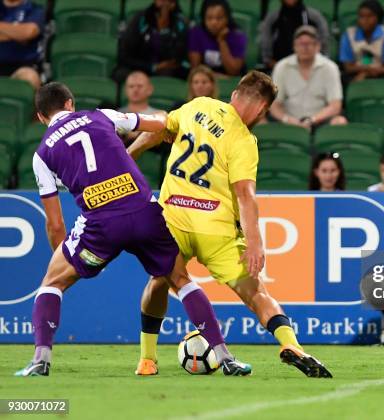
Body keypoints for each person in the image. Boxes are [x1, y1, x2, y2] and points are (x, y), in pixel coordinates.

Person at [14, 82, 250, 377]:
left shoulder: (42, 154)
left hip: (100, 226)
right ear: (70, 103)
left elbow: (55, 223)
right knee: (180, 278)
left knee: (52, 282)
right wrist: (170, 124)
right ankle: (225, 356)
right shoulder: (101, 116)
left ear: (40, 117)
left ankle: (41, 359)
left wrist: (65, 254)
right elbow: (159, 122)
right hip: (143, 213)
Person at [127, 71, 332, 378]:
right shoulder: (244, 140)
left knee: (160, 281)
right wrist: (255, 243)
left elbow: (160, 127)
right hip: (217, 230)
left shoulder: (199, 106)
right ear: (262, 109)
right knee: (256, 293)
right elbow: (246, 195)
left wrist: (129, 154)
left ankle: (147, 359)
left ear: (236, 92)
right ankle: (291, 345)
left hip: (174, 222)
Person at [269, 25, 347, 131]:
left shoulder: (330, 68)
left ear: (318, 46)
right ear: (294, 46)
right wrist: (288, 119)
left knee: (340, 121)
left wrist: (312, 120)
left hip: (321, 121)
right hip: (289, 121)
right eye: (301, 43)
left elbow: (335, 106)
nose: (305, 47)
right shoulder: (282, 66)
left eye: (310, 43)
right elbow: (274, 105)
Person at [114, 0, 188, 83]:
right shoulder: (140, 19)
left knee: (173, 73)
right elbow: (125, 55)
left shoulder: (179, 24)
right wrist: (153, 67)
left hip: (165, 68)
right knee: (122, 74)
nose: (163, 3)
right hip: (138, 66)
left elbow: (177, 57)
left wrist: (164, 33)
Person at [339, 0, 384, 82]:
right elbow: (348, 67)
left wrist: (365, 74)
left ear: (378, 18)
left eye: (369, 16)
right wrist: (366, 69)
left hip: (382, 73)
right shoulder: (348, 35)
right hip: (356, 71)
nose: (365, 20)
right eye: (361, 16)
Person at [259, 0, 330, 70]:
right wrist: (276, 66)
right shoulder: (273, 18)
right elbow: (266, 44)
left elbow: (324, 40)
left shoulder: (314, 17)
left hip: (311, 68)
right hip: (280, 67)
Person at [188, 0, 246, 76]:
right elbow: (195, 70)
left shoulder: (238, 36)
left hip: (231, 83)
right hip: (205, 80)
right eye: (209, 18)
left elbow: (234, 72)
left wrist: (222, 41)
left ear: (227, 18)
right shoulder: (196, 33)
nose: (214, 23)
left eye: (219, 18)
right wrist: (216, 76)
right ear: (203, 18)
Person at [0, 0, 45, 89]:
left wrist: (22, 35)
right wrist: (16, 34)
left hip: (22, 66)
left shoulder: (34, 9)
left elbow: (28, 32)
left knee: (30, 77)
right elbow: (22, 35)